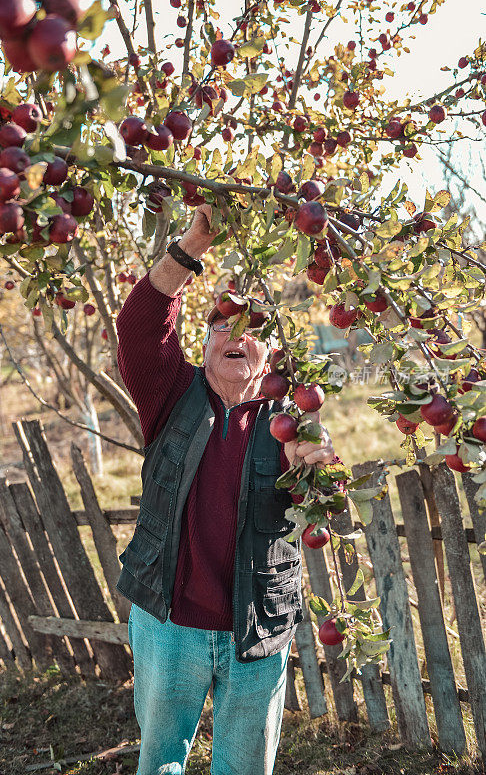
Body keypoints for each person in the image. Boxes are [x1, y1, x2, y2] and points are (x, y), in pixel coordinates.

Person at [115, 204, 337, 775]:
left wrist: (315, 472)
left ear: (276, 356)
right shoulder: (172, 394)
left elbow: (322, 510)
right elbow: (140, 324)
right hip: (169, 624)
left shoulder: (294, 421)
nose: (234, 334)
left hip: (256, 632)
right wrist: (191, 245)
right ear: (206, 342)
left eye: (251, 329)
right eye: (221, 324)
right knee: (160, 763)